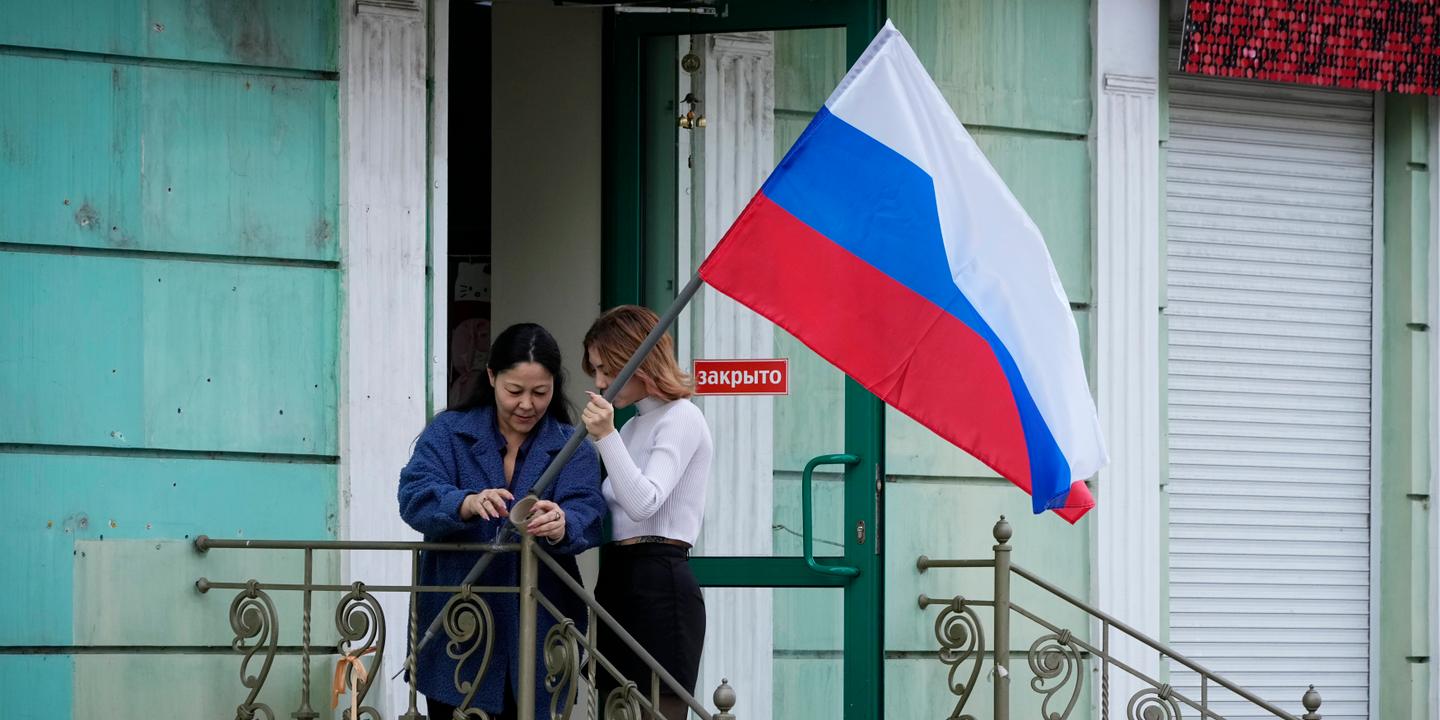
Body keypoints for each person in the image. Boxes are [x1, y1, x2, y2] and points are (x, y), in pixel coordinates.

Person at [398, 323, 604, 720]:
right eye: (515, 391)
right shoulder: (449, 432)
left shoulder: (571, 445)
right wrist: (465, 503)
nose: (526, 404)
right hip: (459, 628)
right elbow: (413, 495)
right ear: (491, 377)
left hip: (541, 631)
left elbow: (588, 510)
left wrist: (563, 522)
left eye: (540, 393)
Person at [580, 306, 714, 719]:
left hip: (660, 581)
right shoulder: (633, 427)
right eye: (597, 372)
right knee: (614, 707)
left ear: (639, 360)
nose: (602, 384)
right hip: (619, 576)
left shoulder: (682, 418)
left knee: (659, 709)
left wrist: (604, 436)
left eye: (608, 369)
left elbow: (644, 503)